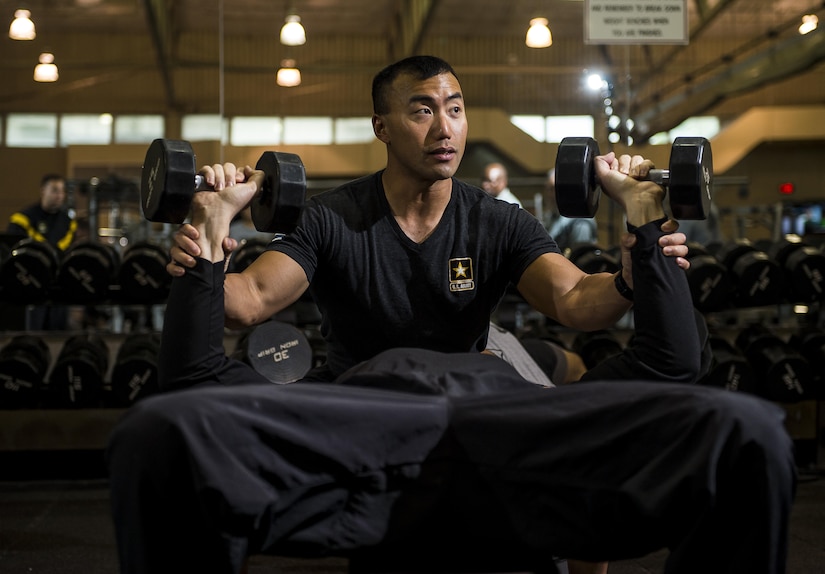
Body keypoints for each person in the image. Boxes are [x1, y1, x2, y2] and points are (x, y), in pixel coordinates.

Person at [107, 55, 796, 574]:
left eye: (456, 108)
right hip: (363, 422)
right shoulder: (329, 218)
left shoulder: (496, 220)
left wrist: (641, 238)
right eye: (421, 110)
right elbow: (248, 302)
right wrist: (207, 232)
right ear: (381, 126)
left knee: (745, 427)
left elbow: (575, 302)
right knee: (161, 430)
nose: (445, 127)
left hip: (492, 411)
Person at [7, 173, 77, 251]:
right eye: (55, 190)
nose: (59, 196)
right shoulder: (22, 220)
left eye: (62, 191)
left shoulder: (68, 223)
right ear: (43, 191)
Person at [544, 168, 598, 252]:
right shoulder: (553, 215)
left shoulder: (580, 220)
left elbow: (580, 257)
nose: (550, 195)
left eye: (555, 188)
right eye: (549, 189)